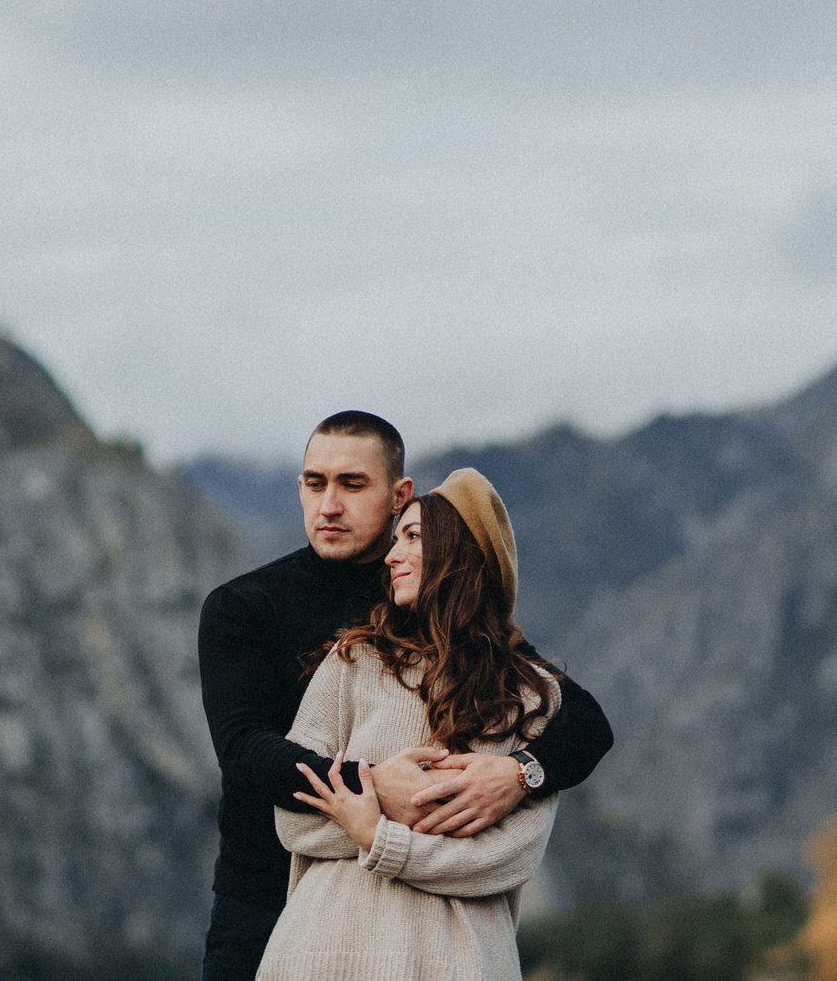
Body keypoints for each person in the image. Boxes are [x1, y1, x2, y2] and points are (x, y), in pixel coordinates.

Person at [197, 412, 612, 981]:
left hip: (424, 921)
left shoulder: (426, 593)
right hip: (263, 897)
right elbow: (243, 749)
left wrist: (519, 773)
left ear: (400, 495)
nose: (329, 505)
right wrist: (373, 783)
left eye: (352, 484)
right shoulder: (245, 606)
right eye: (315, 483)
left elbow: (582, 720)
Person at [261, 471, 553, 981]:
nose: (392, 556)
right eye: (395, 539)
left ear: (461, 553)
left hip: (456, 964)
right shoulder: (353, 660)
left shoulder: (530, 695)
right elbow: (294, 818)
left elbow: (507, 857)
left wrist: (374, 832)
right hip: (321, 954)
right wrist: (383, 794)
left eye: (412, 537)